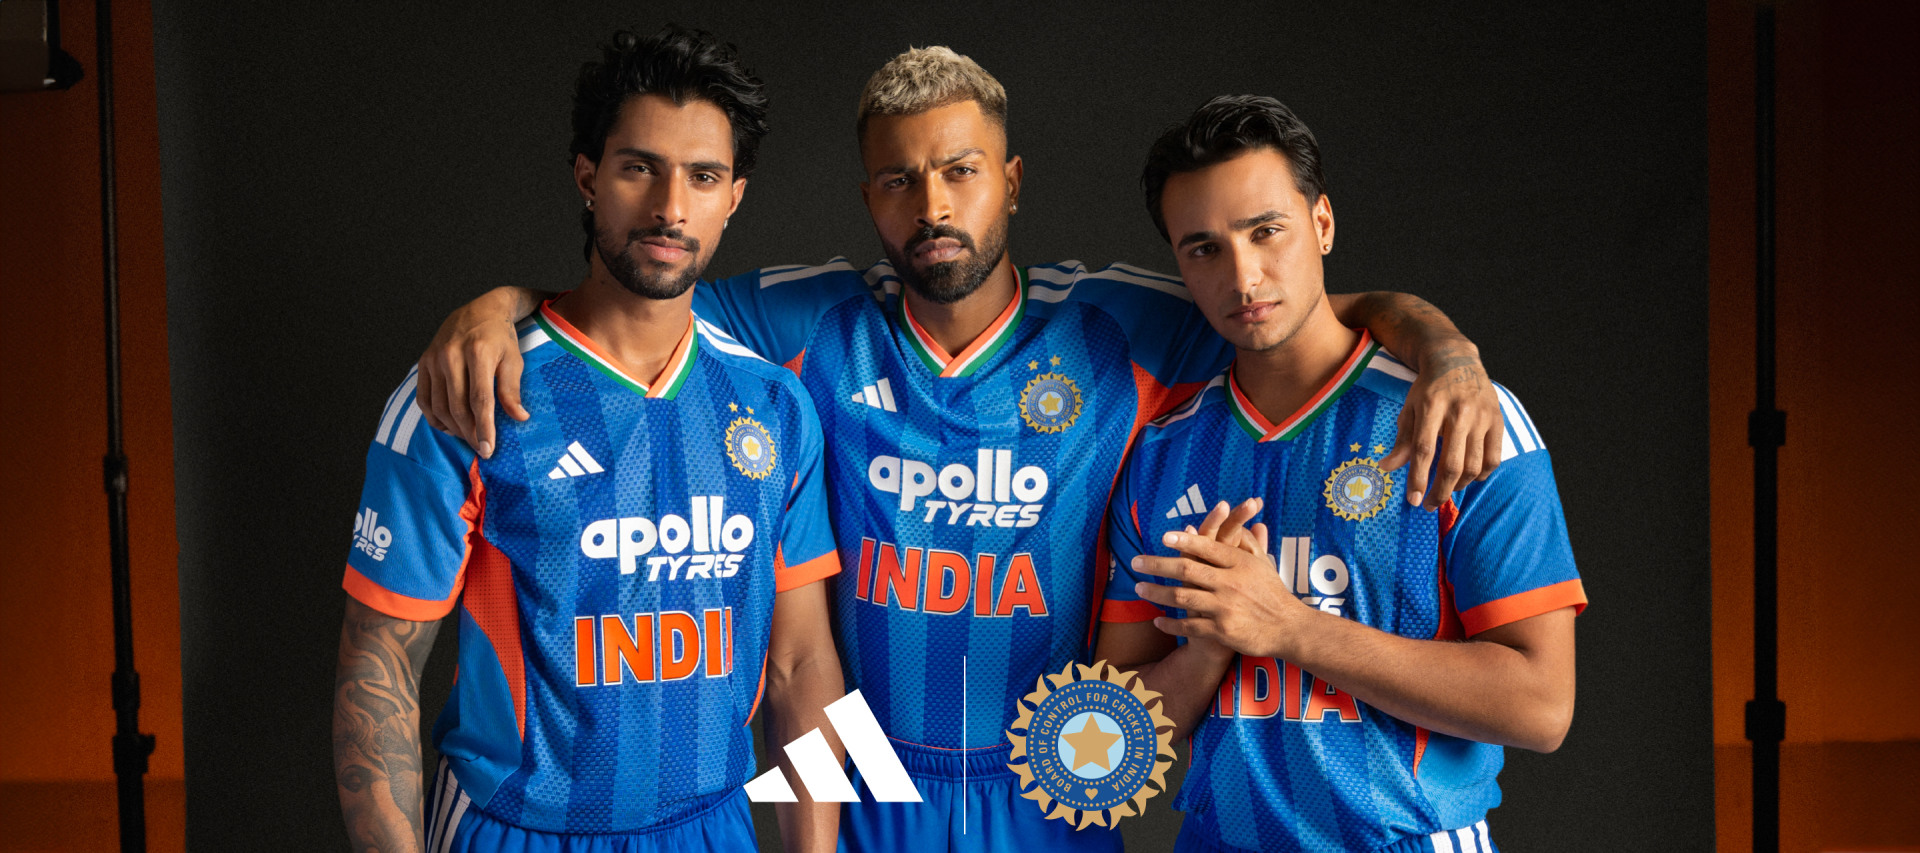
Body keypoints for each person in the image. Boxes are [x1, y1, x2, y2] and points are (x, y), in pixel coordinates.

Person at [413, 47, 1506, 851]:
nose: (931, 205)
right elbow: (632, 293)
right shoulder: (809, 323)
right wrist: (500, 305)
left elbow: (1288, 306)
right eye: (898, 180)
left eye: (961, 172)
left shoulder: (1112, 324)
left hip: (1055, 775)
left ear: (1013, 181)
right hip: (864, 774)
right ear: (868, 200)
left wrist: (1441, 342)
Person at [331, 26, 846, 852]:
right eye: (639, 167)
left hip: (711, 828)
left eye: (703, 177)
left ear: (734, 197)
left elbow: (803, 663)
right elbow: (377, 665)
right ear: (587, 178)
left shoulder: (775, 404)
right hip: (517, 830)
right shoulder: (467, 389)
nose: (670, 207)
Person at [1094, 94, 1585, 853]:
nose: (1244, 275)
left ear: (1321, 223)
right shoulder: (1161, 451)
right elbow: (1111, 726)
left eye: (1267, 232)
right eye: (1204, 249)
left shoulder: (1457, 417)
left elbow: (1542, 704)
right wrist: (1208, 648)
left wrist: (1287, 625)